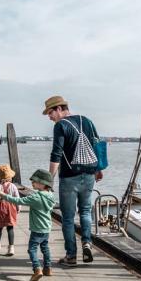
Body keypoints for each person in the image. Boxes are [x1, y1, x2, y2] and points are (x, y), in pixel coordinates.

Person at [43, 95, 102, 267]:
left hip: (69, 178)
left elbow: (56, 154)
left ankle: (71, 256)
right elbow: (96, 145)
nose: (49, 117)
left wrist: (48, 182)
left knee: (68, 218)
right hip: (89, 174)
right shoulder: (87, 121)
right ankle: (87, 243)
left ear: (60, 109)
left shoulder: (60, 126)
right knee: (84, 211)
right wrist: (98, 169)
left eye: (50, 112)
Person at [0, 169, 56, 281]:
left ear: (43, 184)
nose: (32, 183)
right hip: (47, 227)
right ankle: (47, 268)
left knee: (32, 249)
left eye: (34, 181)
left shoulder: (36, 197)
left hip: (37, 229)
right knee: (45, 247)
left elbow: (18, 200)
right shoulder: (50, 195)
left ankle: (37, 269)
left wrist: (3, 195)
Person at [0, 164, 20, 256]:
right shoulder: (13, 186)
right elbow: (17, 197)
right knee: (10, 227)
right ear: (10, 177)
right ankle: (11, 247)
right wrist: (18, 208)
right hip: (11, 206)